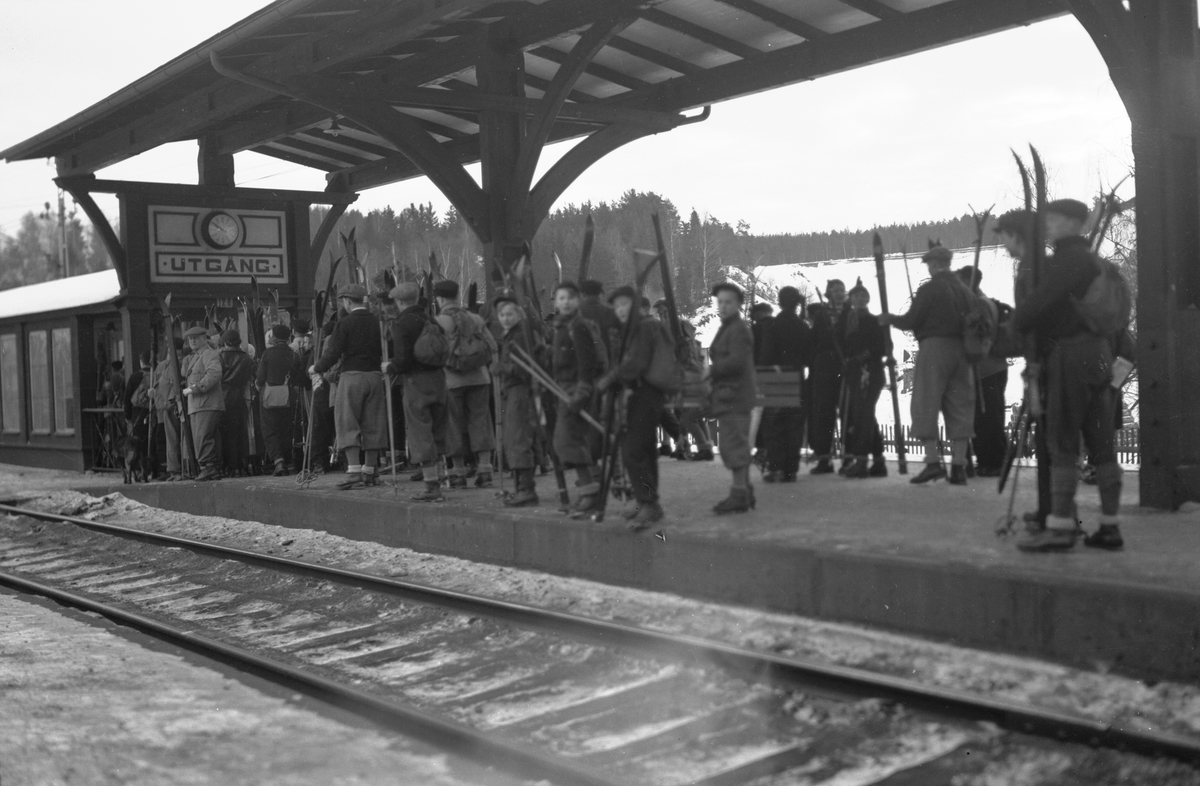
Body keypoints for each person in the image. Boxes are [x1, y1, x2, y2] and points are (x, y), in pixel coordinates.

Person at [1010, 198, 1124, 552]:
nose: (1048, 225)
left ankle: (1060, 527)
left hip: (1070, 356)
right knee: (1102, 443)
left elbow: (1037, 305)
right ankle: (1109, 526)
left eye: (1055, 219)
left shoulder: (1068, 259)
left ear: (1074, 223)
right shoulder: (1095, 261)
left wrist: (1017, 321)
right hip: (1099, 354)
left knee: (1062, 441)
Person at [880, 246, 975, 485]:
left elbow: (911, 320)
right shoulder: (965, 290)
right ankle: (959, 468)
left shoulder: (930, 288)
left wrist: (890, 318)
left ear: (933, 265)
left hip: (934, 348)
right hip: (962, 351)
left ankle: (933, 463)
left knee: (925, 403)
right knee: (960, 406)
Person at [996, 209, 1051, 527]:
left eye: (1004, 236)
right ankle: (1052, 509)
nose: (1004, 244)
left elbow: (1032, 322)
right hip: (1045, 360)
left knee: (1051, 438)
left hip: (1045, 363)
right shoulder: (1041, 265)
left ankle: (1055, 512)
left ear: (1017, 235)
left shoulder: (1031, 269)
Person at [599, 286, 672, 527]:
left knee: (633, 450)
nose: (620, 310)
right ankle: (646, 501)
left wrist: (609, 379)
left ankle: (649, 504)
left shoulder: (643, 327)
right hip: (642, 393)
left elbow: (635, 364)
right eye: (617, 306)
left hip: (645, 393)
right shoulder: (635, 328)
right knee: (644, 449)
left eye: (625, 304)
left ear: (637, 306)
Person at [310, 283, 389, 491]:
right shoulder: (378, 322)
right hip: (375, 377)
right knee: (373, 423)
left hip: (352, 377)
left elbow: (333, 352)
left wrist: (316, 368)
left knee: (347, 422)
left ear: (346, 301)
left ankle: (354, 471)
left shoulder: (344, 323)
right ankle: (370, 471)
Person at [387, 282, 449, 502]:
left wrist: (390, 367)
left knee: (420, 431)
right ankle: (440, 477)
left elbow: (402, 360)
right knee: (438, 429)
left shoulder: (401, 323)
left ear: (400, 302)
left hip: (416, 383)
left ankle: (431, 486)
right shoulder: (431, 319)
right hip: (439, 379)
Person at [434, 280, 498, 489]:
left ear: (439, 299)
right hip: (479, 378)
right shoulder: (476, 318)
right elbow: (493, 346)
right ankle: (485, 471)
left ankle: (458, 474)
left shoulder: (438, 322)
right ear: (456, 295)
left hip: (451, 381)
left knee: (453, 425)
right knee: (481, 421)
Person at [550, 281, 603, 513]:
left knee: (568, 440)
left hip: (576, 389)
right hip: (564, 388)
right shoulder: (562, 327)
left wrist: (582, 392)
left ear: (578, 301)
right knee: (569, 441)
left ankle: (590, 492)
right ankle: (589, 489)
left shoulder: (578, 327)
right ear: (555, 302)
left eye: (570, 298)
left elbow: (586, 362)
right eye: (561, 298)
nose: (566, 302)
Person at [707, 282, 758, 513]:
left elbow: (736, 361)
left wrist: (712, 370)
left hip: (735, 396)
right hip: (731, 394)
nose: (723, 306)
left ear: (738, 304)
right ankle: (744, 490)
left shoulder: (737, 329)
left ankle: (739, 496)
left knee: (733, 444)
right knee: (735, 443)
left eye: (728, 302)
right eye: (720, 302)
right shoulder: (730, 327)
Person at [956, 267, 1010, 477]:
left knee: (988, 417)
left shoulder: (980, 304)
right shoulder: (979, 303)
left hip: (986, 368)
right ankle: (988, 460)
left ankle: (994, 461)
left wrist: (975, 354)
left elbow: (983, 337)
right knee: (984, 415)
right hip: (988, 367)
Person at [492, 291, 541, 507]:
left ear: (518, 314)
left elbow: (524, 369)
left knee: (517, 438)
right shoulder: (510, 335)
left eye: (509, 314)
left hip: (520, 391)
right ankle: (522, 487)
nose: (505, 318)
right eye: (502, 315)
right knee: (515, 438)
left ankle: (526, 489)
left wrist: (501, 368)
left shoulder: (519, 335)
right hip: (512, 391)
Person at [653, 299, 715, 462]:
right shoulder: (681, 330)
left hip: (686, 375)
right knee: (690, 413)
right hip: (690, 374)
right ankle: (696, 446)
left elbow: (680, 354)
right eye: (660, 313)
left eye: (664, 312)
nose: (662, 315)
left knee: (686, 413)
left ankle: (700, 447)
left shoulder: (678, 329)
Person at [759, 286, 810, 482]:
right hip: (797, 376)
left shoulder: (772, 325)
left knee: (774, 426)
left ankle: (777, 467)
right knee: (794, 426)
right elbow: (808, 355)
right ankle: (791, 470)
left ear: (779, 302)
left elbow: (766, 354)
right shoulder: (802, 326)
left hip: (776, 377)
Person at [840, 280, 887, 478]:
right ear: (850, 299)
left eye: (863, 295)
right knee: (865, 415)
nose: (860, 298)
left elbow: (884, 347)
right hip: (854, 373)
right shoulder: (846, 321)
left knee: (863, 416)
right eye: (856, 295)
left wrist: (863, 356)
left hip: (869, 372)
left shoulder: (875, 321)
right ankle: (878, 461)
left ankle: (861, 461)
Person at [808, 280, 848, 474]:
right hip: (824, 367)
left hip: (845, 366)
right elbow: (814, 340)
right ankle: (824, 459)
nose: (839, 293)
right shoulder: (821, 314)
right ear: (829, 293)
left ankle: (850, 459)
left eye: (842, 290)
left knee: (848, 412)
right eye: (836, 290)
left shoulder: (850, 312)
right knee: (824, 413)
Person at [180, 326, 224, 482]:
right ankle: (210, 468)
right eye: (190, 339)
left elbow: (214, 373)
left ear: (204, 338)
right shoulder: (197, 356)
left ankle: (209, 468)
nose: (192, 341)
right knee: (202, 436)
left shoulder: (208, 354)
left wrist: (196, 388)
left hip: (206, 403)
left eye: (196, 338)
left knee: (203, 436)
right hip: (199, 404)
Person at [258, 323, 301, 476]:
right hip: (288, 396)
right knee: (286, 429)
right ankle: (288, 462)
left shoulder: (267, 354)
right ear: (288, 338)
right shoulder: (294, 355)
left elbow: (260, 377)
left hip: (269, 397)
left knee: (270, 429)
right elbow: (297, 378)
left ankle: (278, 461)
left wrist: (258, 385)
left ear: (274, 337)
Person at [218, 329, 252, 476]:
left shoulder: (220, 357)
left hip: (222, 397)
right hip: (239, 397)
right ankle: (239, 465)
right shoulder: (246, 358)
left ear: (225, 341)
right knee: (238, 433)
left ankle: (229, 466)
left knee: (224, 434)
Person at [152, 338, 184, 481]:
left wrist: (161, 404)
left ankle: (175, 470)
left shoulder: (163, 365)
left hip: (168, 405)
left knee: (172, 438)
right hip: (174, 404)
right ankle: (177, 469)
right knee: (176, 438)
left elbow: (156, 388)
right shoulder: (180, 362)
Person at [579, 279, 621, 363]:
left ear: (583, 294)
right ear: (599, 294)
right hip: (606, 359)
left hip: (581, 359)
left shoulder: (577, 312)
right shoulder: (610, 312)